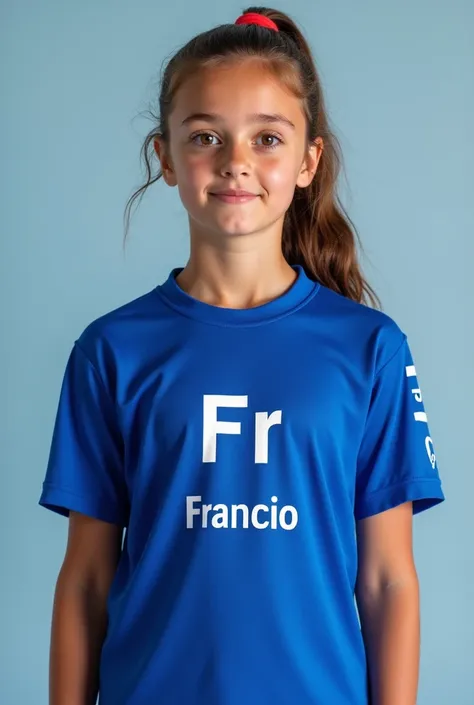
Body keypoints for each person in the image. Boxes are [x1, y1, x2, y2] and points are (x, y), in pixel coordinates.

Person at [39, 7, 445, 705]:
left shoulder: (370, 350)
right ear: (165, 157)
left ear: (308, 160)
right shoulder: (111, 351)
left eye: (266, 138)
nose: (236, 162)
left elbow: (387, 579)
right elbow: (85, 579)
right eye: (205, 136)